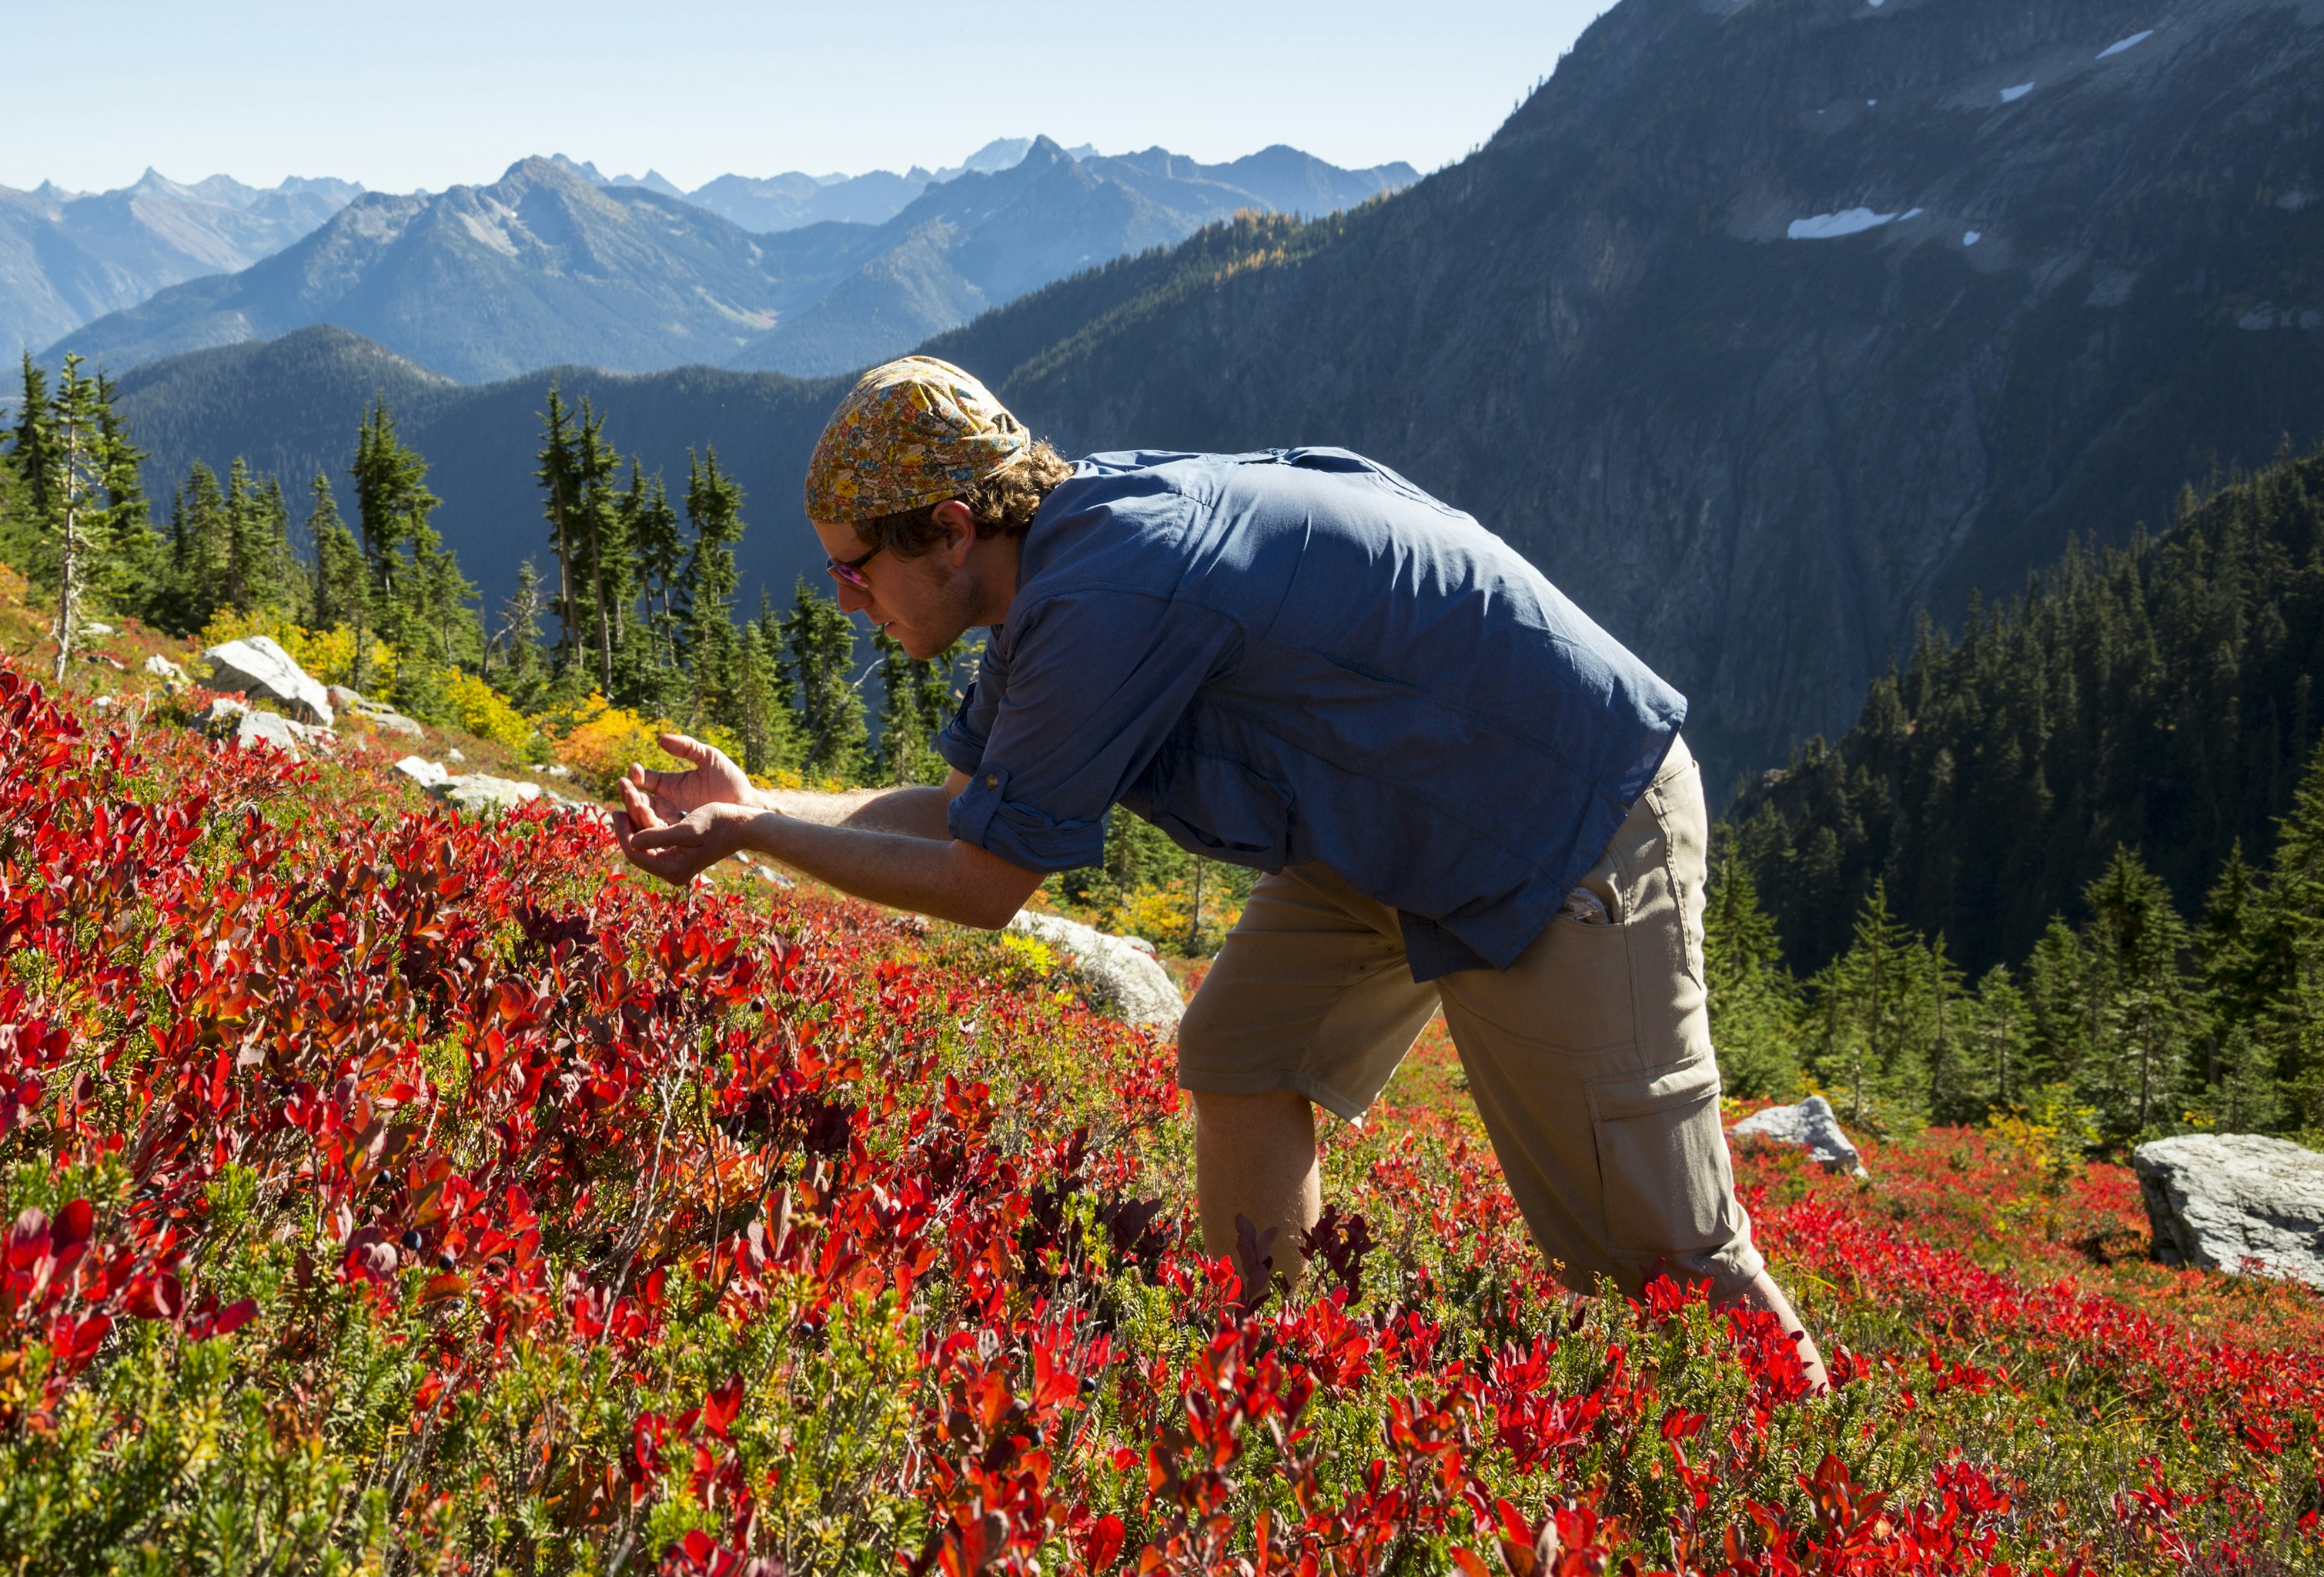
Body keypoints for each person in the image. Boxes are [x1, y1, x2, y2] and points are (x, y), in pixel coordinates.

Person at [614, 355, 1827, 1389]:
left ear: (948, 528)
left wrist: (758, 838)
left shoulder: (1103, 595)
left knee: (1650, 1247)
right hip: (1395, 810)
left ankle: (1829, 1488)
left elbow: (983, 883)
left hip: (1564, 809)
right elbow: (966, 810)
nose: (843, 598)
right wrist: (761, 805)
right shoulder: (1059, 559)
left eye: (854, 566)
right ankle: (1273, 1380)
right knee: (1245, 1048)